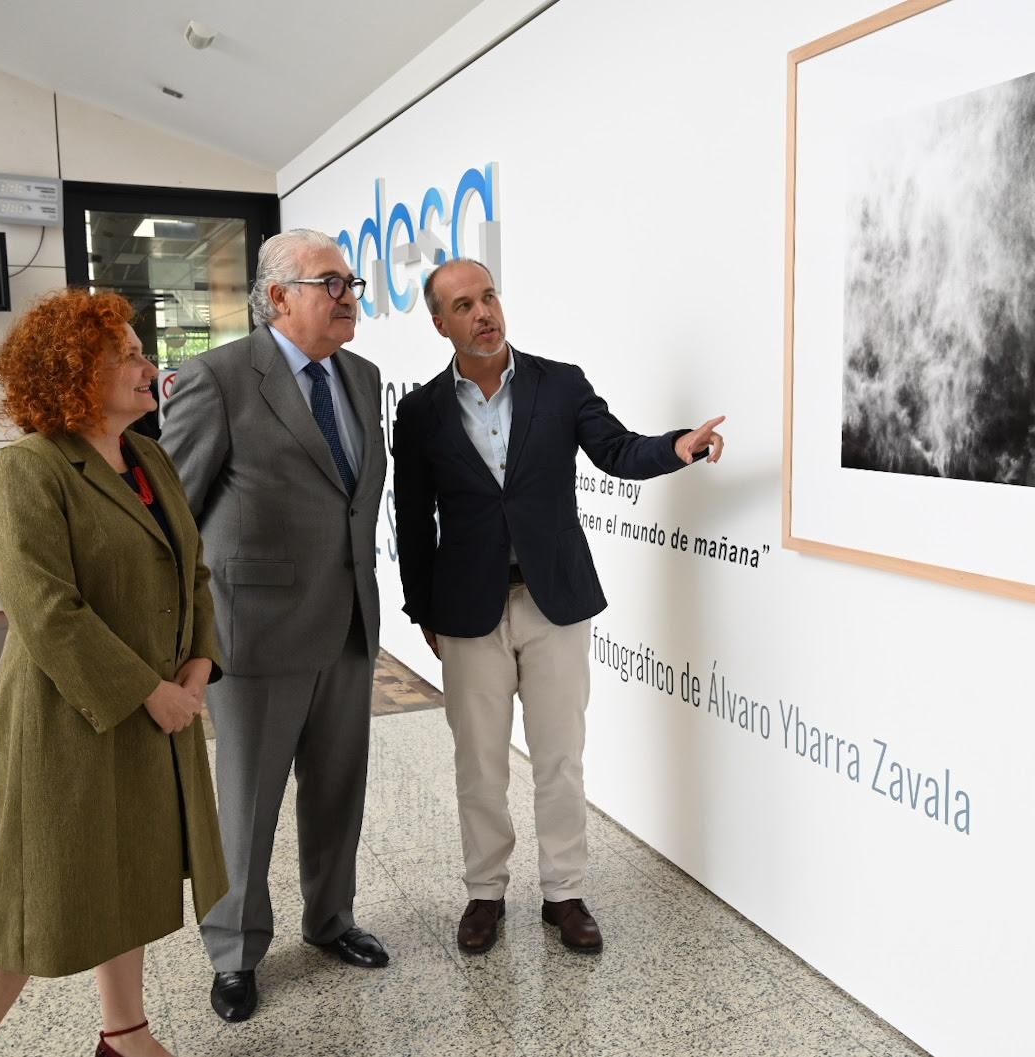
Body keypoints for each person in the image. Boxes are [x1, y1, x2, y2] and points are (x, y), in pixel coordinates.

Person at [392, 258, 725, 955]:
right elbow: (414, 520)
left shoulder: (560, 383)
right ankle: (485, 892)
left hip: (555, 602)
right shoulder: (420, 411)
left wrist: (679, 448)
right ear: (439, 323)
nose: (483, 313)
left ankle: (564, 892)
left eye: (489, 297)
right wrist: (423, 610)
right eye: (464, 305)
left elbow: (616, 449)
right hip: (467, 610)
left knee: (560, 757)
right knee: (478, 762)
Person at [0, 290, 226, 1057]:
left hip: (158, 711)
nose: (149, 366)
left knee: (129, 872)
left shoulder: (151, 457)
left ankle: (125, 1032)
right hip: (67, 721)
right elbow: (47, 611)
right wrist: (151, 691)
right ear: (76, 374)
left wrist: (200, 662)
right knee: (32, 896)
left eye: (143, 351)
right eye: (129, 356)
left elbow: (194, 570)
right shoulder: (25, 471)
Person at [160, 229, 389, 1023]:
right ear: (279, 295)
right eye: (332, 281)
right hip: (254, 634)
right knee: (248, 806)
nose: (349, 292)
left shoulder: (362, 376)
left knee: (338, 792)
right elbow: (175, 523)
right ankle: (234, 952)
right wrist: (183, 642)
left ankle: (329, 920)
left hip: (350, 625)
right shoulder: (218, 378)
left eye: (350, 280)